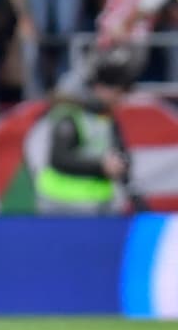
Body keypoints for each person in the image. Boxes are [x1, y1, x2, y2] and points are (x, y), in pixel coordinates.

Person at [36, 48, 134, 215]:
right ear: (99, 88)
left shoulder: (107, 118)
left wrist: (121, 164)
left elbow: (121, 152)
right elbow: (59, 158)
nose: (120, 99)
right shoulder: (70, 114)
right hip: (60, 202)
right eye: (117, 93)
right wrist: (101, 166)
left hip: (97, 203)